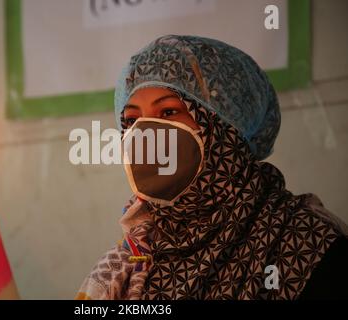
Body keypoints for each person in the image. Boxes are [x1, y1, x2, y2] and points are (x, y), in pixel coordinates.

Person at [75, 35, 348, 300]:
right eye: (131, 120)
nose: (143, 133)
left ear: (223, 129)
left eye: (169, 112)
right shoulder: (128, 260)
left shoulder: (304, 241)